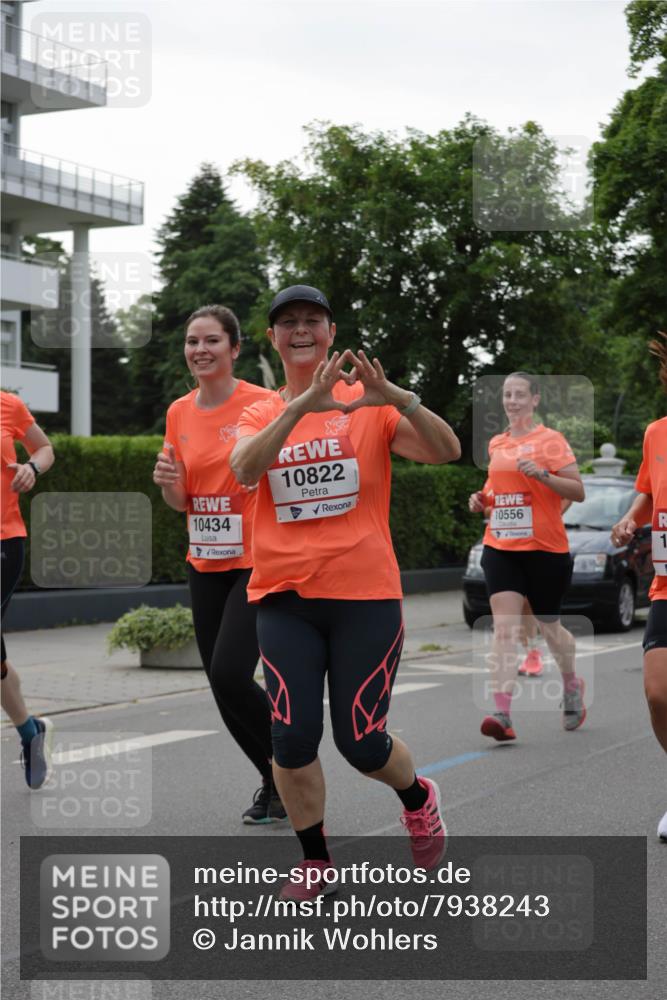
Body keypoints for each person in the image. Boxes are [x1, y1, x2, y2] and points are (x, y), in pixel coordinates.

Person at [230, 284, 461, 900]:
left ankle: (418, 796)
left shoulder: (368, 405)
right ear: (273, 338)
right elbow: (246, 469)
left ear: (330, 333)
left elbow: (447, 452)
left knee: (360, 743)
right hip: (283, 598)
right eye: (288, 323)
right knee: (291, 736)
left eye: (312, 321)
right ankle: (315, 861)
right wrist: (301, 405)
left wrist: (401, 400)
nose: (300, 331)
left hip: (365, 596)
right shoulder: (260, 412)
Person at [153, 305, 286, 824]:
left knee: (232, 674)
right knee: (218, 681)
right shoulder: (179, 412)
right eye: (192, 341)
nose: (200, 350)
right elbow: (183, 499)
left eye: (212, 341)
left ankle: (293, 761)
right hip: (204, 558)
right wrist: (169, 485)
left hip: (257, 558)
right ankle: (273, 779)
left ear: (234, 348)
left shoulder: (266, 402)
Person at [468, 373, 586, 741]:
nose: (513, 400)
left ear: (535, 400)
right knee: (504, 628)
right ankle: (501, 713)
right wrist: (482, 499)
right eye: (507, 395)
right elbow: (496, 489)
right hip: (501, 547)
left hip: (546, 550)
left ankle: (571, 683)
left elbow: (578, 491)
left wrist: (545, 477)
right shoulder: (497, 443)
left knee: (550, 627)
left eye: (520, 394)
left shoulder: (551, 441)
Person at [611, 332, 667, 843]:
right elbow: (648, 495)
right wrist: (631, 519)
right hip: (666, 587)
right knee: (658, 694)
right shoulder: (656, 433)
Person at [1, 390, 55, 788]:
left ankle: (29, 732)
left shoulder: (8, 404)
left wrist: (32, 468)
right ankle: (29, 731)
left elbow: (43, 447)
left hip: (4, 541)